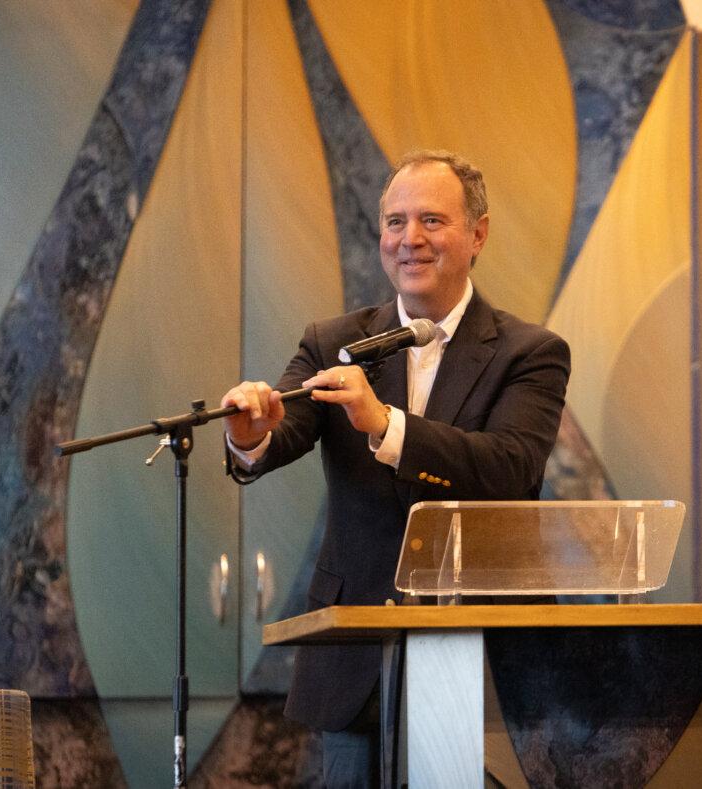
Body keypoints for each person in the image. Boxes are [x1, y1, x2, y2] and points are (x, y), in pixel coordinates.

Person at [221, 151, 570, 787]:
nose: (409, 239)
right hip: (357, 661)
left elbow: (509, 469)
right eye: (394, 222)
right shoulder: (333, 342)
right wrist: (250, 437)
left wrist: (385, 425)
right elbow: (286, 428)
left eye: (432, 220)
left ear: (478, 235)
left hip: (485, 663)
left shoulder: (531, 353)